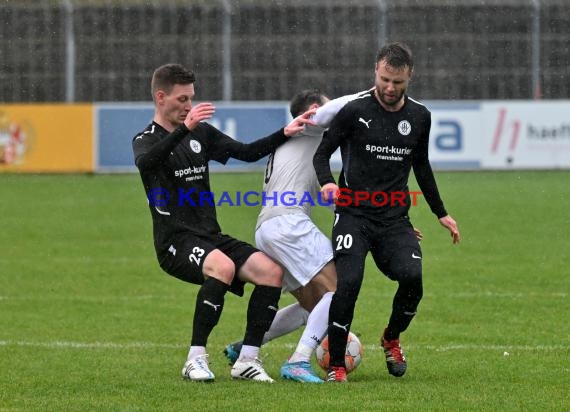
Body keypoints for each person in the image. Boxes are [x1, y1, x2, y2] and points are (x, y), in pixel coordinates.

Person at [222, 89, 425, 383]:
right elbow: (336, 109)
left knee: (314, 306)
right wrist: (372, 91)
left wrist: (394, 226)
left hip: (269, 228)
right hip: (288, 225)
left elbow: (338, 202)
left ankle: (245, 348)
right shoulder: (310, 127)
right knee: (340, 289)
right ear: (316, 110)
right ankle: (299, 360)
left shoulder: (299, 142)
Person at [132, 63, 314, 383]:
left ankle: (247, 360)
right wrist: (183, 129)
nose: (188, 106)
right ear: (161, 97)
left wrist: (284, 133)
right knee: (223, 267)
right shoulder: (146, 139)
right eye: (181, 100)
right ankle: (195, 359)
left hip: (208, 235)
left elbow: (244, 152)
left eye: (191, 99)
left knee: (271, 273)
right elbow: (148, 163)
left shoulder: (199, 131)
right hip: (175, 240)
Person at [313, 42, 461, 383]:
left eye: (398, 82)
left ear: (410, 77)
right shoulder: (353, 110)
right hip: (352, 214)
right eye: (384, 80)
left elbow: (421, 165)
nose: (390, 88)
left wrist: (441, 212)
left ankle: (391, 338)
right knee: (348, 283)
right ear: (375, 73)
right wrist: (327, 183)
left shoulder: (420, 116)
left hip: (394, 218)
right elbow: (322, 154)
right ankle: (336, 366)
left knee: (412, 279)